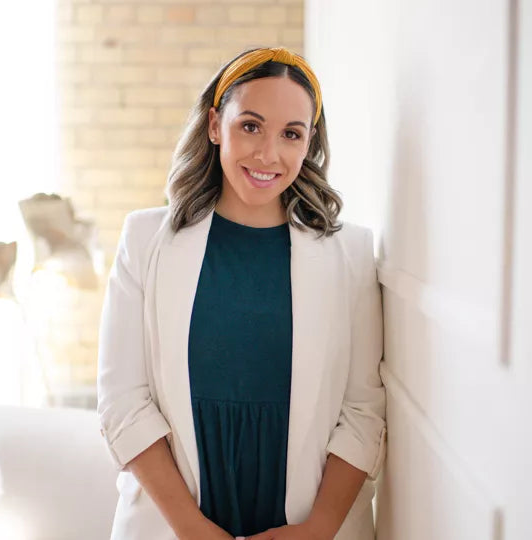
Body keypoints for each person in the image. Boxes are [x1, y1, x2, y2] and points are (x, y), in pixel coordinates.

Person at [96, 46, 387, 540]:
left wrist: (317, 531)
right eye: (250, 126)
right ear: (215, 125)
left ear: (308, 142)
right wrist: (193, 530)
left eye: (290, 134)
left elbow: (362, 411)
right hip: (171, 527)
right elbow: (122, 401)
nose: (267, 154)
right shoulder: (145, 240)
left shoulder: (352, 253)